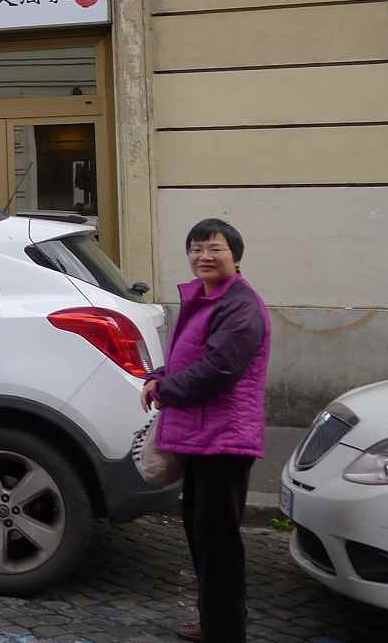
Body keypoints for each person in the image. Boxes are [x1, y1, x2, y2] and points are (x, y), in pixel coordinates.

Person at [141, 219, 270, 643]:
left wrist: (166, 390)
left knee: (218, 542)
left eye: (215, 249)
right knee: (202, 534)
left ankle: (224, 631)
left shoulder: (241, 306)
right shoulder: (204, 297)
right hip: (200, 435)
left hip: (225, 439)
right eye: (196, 249)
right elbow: (189, 354)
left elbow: (220, 368)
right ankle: (215, 621)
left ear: (236, 256)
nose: (204, 257)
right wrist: (160, 375)